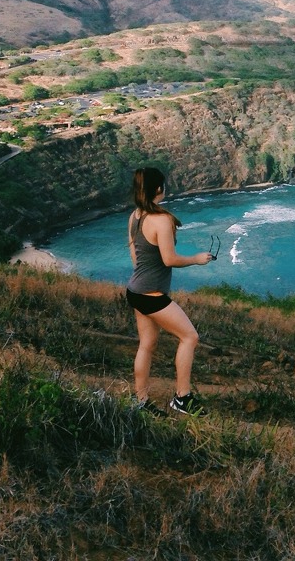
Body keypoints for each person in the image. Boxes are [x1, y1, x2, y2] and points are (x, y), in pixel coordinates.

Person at [125, 166, 213, 415]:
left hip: (135, 290)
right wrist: (197, 259)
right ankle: (182, 398)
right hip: (151, 295)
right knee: (190, 337)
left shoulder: (135, 216)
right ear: (158, 189)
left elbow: (135, 255)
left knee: (147, 344)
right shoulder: (162, 220)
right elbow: (169, 259)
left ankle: (140, 400)